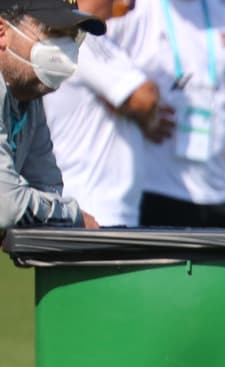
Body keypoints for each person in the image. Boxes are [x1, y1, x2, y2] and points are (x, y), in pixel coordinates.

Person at [106, 0, 225, 229]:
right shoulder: (130, 10)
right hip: (149, 193)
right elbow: (90, 72)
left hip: (219, 200)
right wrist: (138, 112)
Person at [44, 0, 173, 227]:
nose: (129, 3)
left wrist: (127, 105)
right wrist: (142, 114)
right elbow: (144, 97)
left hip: (94, 207)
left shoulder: (79, 35)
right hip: (96, 210)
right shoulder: (82, 37)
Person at [0, 0, 103, 231]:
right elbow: (6, 207)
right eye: (53, 32)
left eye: (70, 36)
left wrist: (47, 212)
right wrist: (73, 216)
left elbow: (47, 188)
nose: (64, 49)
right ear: (2, 33)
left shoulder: (27, 95)